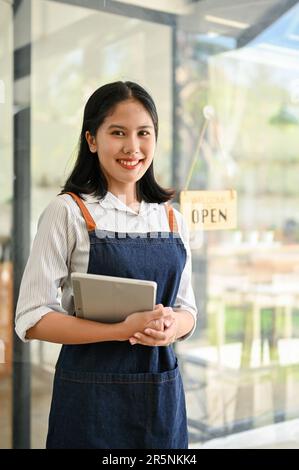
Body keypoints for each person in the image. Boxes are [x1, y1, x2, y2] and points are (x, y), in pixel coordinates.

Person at [15, 81, 198, 449]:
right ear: (92, 140)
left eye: (144, 133)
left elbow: (188, 311)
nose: (133, 147)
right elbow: (31, 319)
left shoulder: (172, 219)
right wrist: (121, 330)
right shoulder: (67, 213)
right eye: (118, 133)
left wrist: (170, 327)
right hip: (89, 399)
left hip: (161, 396)